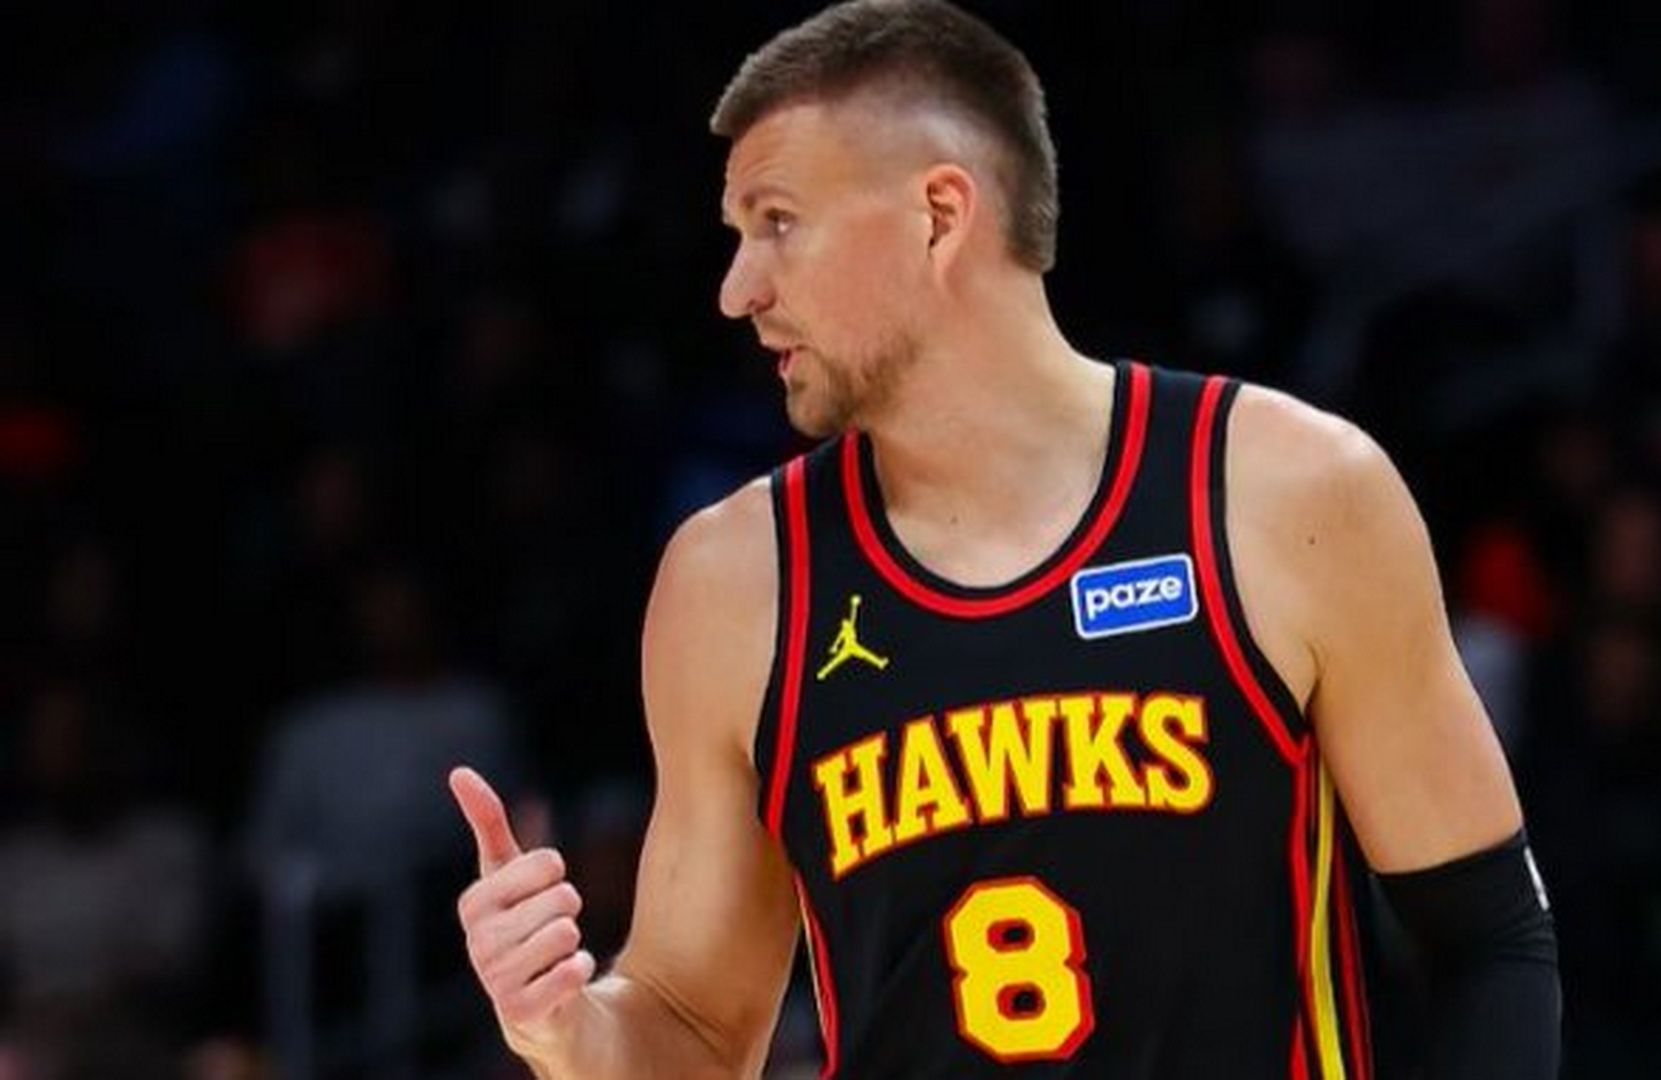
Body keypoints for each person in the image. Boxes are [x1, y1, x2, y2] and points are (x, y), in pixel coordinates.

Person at [449, 1, 1561, 1076]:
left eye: (777, 222)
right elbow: (693, 1034)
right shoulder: (735, 580)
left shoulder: (1287, 492)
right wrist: (566, 1032)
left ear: (939, 214)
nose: (739, 289)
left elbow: (1490, 939)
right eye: (738, 236)